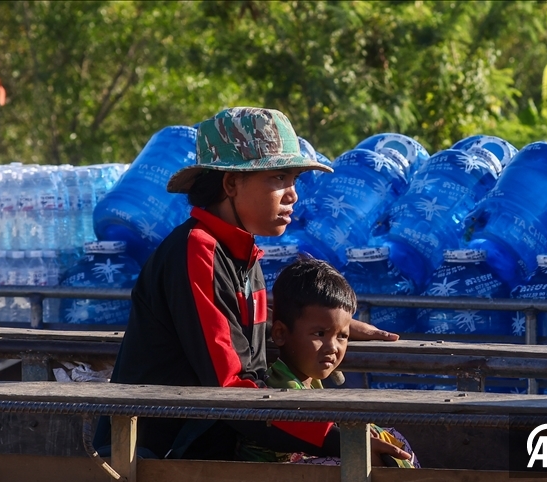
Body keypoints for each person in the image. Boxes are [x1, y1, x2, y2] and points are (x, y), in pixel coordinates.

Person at [96, 107, 399, 460]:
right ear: (230, 184)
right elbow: (231, 385)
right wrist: (337, 439)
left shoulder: (243, 255)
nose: (292, 195)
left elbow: (238, 337)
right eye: (278, 178)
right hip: (159, 454)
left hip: (219, 441)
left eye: (294, 180)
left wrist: (332, 327)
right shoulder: (198, 250)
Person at [236, 257, 416, 466]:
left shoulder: (308, 381)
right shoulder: (281, 387)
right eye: (320, 334)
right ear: (280, 333)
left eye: (342, 336)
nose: (332, 347)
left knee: (389, 437)